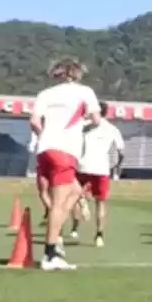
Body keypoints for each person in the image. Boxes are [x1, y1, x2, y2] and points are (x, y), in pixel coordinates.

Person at [30, 58, 102, 271]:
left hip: (45, 150)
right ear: (77, 73)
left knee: (75, 191)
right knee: (60, 203)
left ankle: (55, 235)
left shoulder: (45, 94)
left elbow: (34, 122)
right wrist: (82, 128)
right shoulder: (84, 92)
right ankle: (51, 251)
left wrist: (46, 137)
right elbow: (96, 120)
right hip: (65, 151)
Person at [76, 102, 125, 248]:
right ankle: (99, 236)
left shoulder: (84, 126)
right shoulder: (112, 129)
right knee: (100, 203)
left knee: (73, 189)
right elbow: (121, 151)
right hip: (102, 168)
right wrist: (117, 165)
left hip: (83, 165)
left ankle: (82, 201)